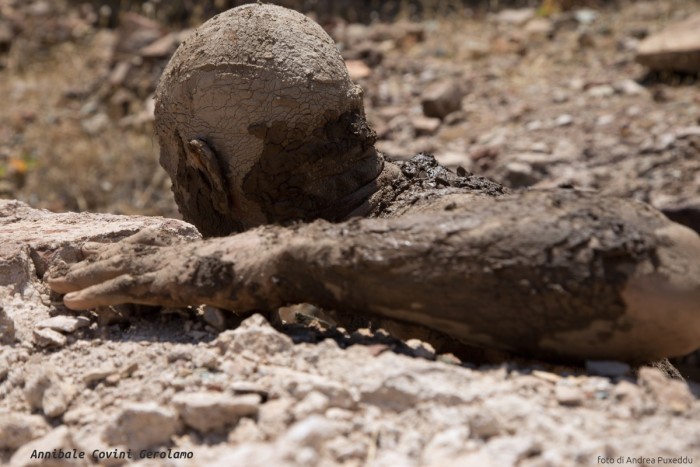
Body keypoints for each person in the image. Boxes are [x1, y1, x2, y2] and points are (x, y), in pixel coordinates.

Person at [48, 4, 700, 362]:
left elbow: (675, 279)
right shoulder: (404, 208)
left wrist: (276, 261)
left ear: (203, 170)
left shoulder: (424, 215)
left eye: (175, 177)